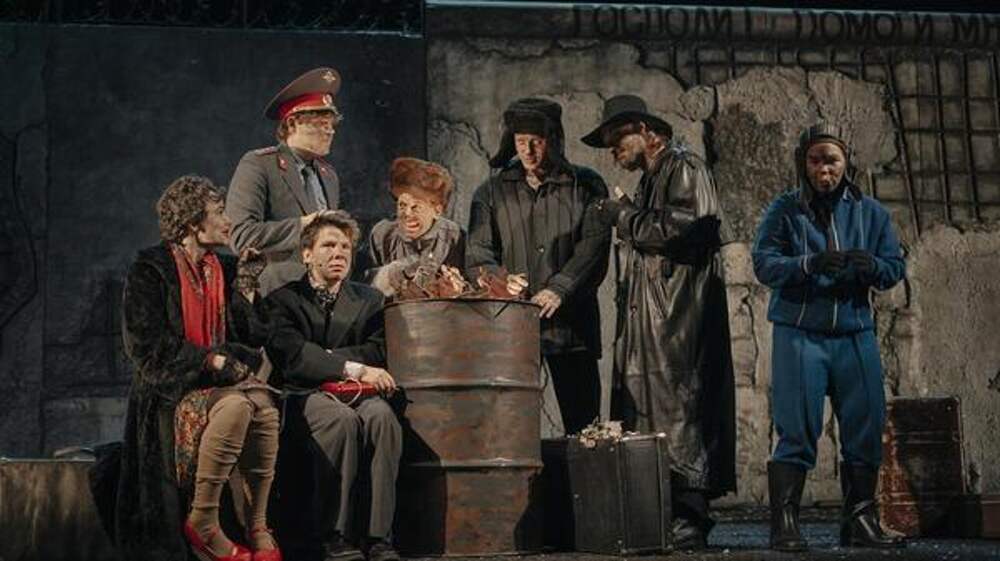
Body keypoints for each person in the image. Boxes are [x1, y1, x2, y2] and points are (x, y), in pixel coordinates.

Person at [583, 94, 736, 551]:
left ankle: (691, 515)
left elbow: (688, 228)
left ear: (646, 131)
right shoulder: (653, 178)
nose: (613, 150)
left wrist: (624, 216)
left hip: (679, 320)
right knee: (653, 414)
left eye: (618, 138)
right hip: (655, 321)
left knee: (682, 413)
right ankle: (667, 513)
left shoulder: (683, 167)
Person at [752, 123, 906, 551]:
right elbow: (764, 263)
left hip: (855, 333)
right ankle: (785, 523)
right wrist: (809, 264)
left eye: (832, 160)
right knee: (797, 428)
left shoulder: (870, 212)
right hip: (801, 334)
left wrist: (873, 266)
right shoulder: (785, 210)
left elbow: (894, 267)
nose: (824, 168)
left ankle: (860, 521)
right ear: (803, 163)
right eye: (816, 159)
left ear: (845, 162)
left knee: (866, 423)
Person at [116, 175, 279, 561]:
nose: (228, 221)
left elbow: (253, 336)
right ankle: (203, 521)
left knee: (266, 408)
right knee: (237, 406)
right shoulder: (150, 269)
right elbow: (146, 348)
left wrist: (247, 284)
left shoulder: (224, 268)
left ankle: (257, 523)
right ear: (192, 223)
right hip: (169, 391)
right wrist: (209, 360)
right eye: (219, 212)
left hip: (218, 382)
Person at [467, 97, 610, 435]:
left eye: (537, 141)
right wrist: (501, 284)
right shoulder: (492, 191)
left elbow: (594, 246)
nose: (528, 151)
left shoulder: (586, 185)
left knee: (584, 430)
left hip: (572, 327)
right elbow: (477, 254)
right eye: (521, 142)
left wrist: (560, 288)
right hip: (513, 328)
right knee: (510, 430)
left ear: (554, 140)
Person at [265, 210, 402, 561]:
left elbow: (377, 350)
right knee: (340, 421)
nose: (339, 253)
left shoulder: (369, 300)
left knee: (382, 418)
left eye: (345, 247)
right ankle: (333, 534)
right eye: (328, 245)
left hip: (355, 392)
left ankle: (377, 537)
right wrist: (350, 366)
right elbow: (293, 357)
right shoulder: (282, 300)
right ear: (307, 254)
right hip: (303, 394)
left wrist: (325, 357)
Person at [227, 67, 343, 295]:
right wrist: (304, 225)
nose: (330, 131)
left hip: (324, 293)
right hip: (277, 292)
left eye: (331, 124)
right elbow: (240, 235)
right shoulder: (259, 164)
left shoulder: (329, 176)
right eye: (321, 123)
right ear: (291, 124)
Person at [366, 157, 465, 297]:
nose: (407, 213)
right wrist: (389, 276)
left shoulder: (453, 237)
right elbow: (364, 289)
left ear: (437, 211)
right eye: (402, 205)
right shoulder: (382, 235)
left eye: (416, 207)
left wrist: (455, 290)